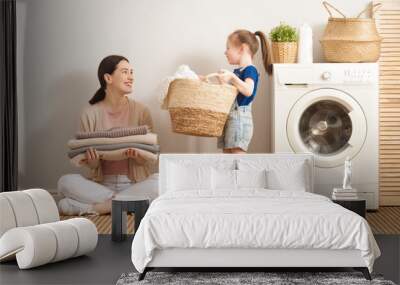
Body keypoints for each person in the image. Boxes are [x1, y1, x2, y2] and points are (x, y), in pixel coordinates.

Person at [58, 55, 157, 215]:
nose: (131, 77)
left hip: (134, 184)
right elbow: (93, 166)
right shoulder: (90, 113)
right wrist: (93, 160)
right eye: (125, 72)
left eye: (132, 72)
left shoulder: (142, 111)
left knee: (160, 182)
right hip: (101, 186)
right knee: (65, 182)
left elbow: (148, 157)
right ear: (108, 78)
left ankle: (99, 208)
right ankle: (125, 205)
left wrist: (138, 155)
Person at [215, 29, 272, 153]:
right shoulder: (237, 72)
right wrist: (223, 82)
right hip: (230, 119)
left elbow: (248, 90)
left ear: (242, 49)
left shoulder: (250, 69)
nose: (225, 52)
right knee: (227, 159)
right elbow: (233, 95)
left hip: (239, 121)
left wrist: (232, 77)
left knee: (237, 160)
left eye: (228, 48)